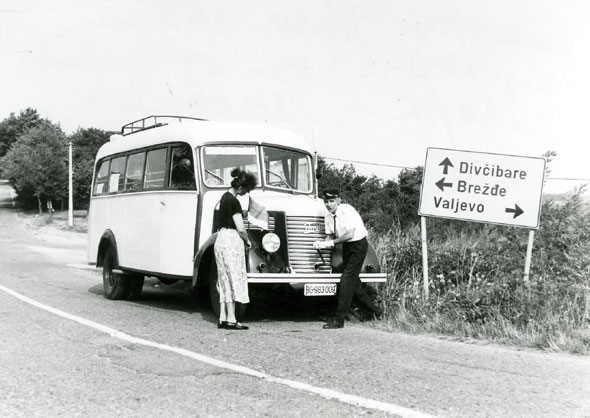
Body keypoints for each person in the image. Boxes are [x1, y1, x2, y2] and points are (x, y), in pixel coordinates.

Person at [313, 189, 383, 329]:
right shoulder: (328, 216)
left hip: (358, 245)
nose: (329, 204)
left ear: (339, 200)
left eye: (332, 201)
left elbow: (349, 234)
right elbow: (330, 235)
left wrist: (330, 243)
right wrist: (320, 243)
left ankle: (339, 320)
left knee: (346, 280)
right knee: (354, 284)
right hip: (346, 246)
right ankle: (375, 312)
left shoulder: (346, 211)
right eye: (326, 201)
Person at [214, 167, 257, 330]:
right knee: (233, 278)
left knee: (224, 278)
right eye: (245, 190)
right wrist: (248, 241)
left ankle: (222, 317)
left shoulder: (224, 198)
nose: (245, 193)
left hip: (221, 238)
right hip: (231, 240)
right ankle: (232, 318)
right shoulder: (234, 201)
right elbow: (240, 228)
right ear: (240, 187)